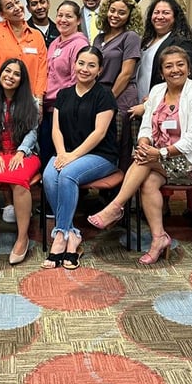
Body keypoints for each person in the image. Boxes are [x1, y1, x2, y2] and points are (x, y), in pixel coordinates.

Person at [87, 46, 192, 264]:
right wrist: (144, 143)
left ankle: (116, 206)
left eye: (180, 65)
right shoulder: (157, 91)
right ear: (161, 71)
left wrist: (158, 153)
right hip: (160, 161)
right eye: (169, 66)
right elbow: (146, 126)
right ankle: (159, 238)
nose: (175, 70)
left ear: (188, 68)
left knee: (144, 161)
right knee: (147, 181)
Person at [42, 46, 118, 270]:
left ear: (99, 70)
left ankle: (60, 236)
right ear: (74, 65)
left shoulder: (104, 95)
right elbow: (56, 130)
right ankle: (72, 234)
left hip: (100, 155)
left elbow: (100, 133)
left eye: (91, 65)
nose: (85, 69)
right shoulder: (64, 94)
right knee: (48, 175)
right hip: (66, 153)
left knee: (66, 175)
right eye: (81, 63)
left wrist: (72, 157)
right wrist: (62, 153)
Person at [0, 59, 41, 267]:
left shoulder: (31, 102)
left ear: (22, 80)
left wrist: (21, 152)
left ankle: (22, 238)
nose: (10, 76)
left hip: (24, 153)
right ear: (0, 73)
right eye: (7, 71)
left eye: (16, 74)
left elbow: (32, 132)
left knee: (18, 180)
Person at [92, 0, 143, 171]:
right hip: (101, 93)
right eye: (112, 10)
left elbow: (126, 73)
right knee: (101, 139)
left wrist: (109, 99)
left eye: (121, 12)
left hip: (121, 94)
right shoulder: (99, 39)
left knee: (121, 144)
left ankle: (120, 192)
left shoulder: (131, 37)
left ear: (129, 16)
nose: (115, 15)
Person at [40, 0, 89, 169]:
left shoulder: (80, 44)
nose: (63, 19)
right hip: (48, 108)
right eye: (60, 15)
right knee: (46, 154)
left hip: (65, 110)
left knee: (62, 157)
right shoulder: (54, 43)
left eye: (69, 16)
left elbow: (77, 80)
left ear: (78, 21)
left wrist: (57, 101)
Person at [134, 0, 192, 107]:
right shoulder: (146, 41)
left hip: (161, 103)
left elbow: (182, 77)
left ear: (175, 17)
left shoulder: (181, 42)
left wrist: (153, 100)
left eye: (166, 13)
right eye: (156, 12)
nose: (160, 16)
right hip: (138, 100)